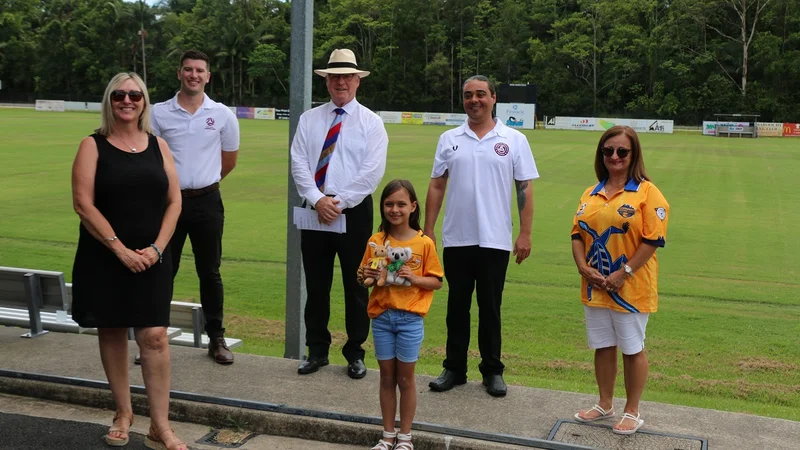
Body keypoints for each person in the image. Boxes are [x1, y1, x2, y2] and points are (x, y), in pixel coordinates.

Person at [71, 72, 187, 450]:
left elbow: (175, 201)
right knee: (112, 331)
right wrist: (119, 249)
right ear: (109, 99)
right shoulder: (93, 145)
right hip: (105, 255)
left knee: (154, 336)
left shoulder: (159, 145)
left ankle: (160, 426)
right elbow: (83, 204)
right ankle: (123, 413)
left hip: (152, 256)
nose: (127, 100)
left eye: (134, 95)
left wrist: (156, 248)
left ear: (144, 101)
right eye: (119, 94)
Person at [424, 75, 539, 397]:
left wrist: (525, 233)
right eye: (467, 95)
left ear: (493, 98)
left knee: (490, 308)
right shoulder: (449, 138)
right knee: (456, 307)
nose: (474, 100)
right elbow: (437, 184)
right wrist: (429, 230)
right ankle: (454, 368)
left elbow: (524, 188)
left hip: (495, 239)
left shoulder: (513, 139)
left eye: (480, 95)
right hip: (457, 237)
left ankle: (492, 371)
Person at [290, 48, 388, 378]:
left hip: (354, 212)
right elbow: (299, 163)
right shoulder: (309, 119)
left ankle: (355, 352)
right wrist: (318, 199)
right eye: (335, 77)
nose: (341, 82)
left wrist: (339, 202)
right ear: (327, 81)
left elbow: (371, 172)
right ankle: (316, 351)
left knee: (357, 286)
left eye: (347, 76)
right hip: (315, 209)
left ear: (357, 81)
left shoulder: (372, 123)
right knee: (316, 287)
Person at [570, 125, 669, 435]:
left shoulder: (647, 192)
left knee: (632, 347)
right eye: (608, 151)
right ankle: (604, 403)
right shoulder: (591, 192)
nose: (614, 156)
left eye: (622, 151)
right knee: (603, 345)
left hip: (630, 286)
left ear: (633, 154)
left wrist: (623, 272)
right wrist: (582, 267)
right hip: (595, 283)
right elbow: (576, 233)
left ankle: (632, 410)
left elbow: (653, 240)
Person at [151, 50, 240, 365]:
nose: (194, 75)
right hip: (167, 204)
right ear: (179, 74)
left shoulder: (222, 114)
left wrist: (204, 181)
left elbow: (228, 159)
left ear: (208, 76)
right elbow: (150, 159)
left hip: (207, 202)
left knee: (210, 272)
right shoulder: (158, 113)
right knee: (163, 270)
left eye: (199, 70)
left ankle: (216, 339)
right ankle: (152, 339)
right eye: (188, 69)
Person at [358, 180, 443, 450]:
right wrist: (365, 276)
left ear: (413, 207)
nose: (395, 209)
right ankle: (387, 436)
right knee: (385, 377)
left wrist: (414, 278)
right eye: (389, 204)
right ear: (382, 207)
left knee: (405, 379)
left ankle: (405, 437)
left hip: (409, 320)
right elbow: (365, 277)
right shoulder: (376, 241)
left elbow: (437, 281)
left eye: (401, 204)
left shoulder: (424, 243)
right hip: (382, 318)